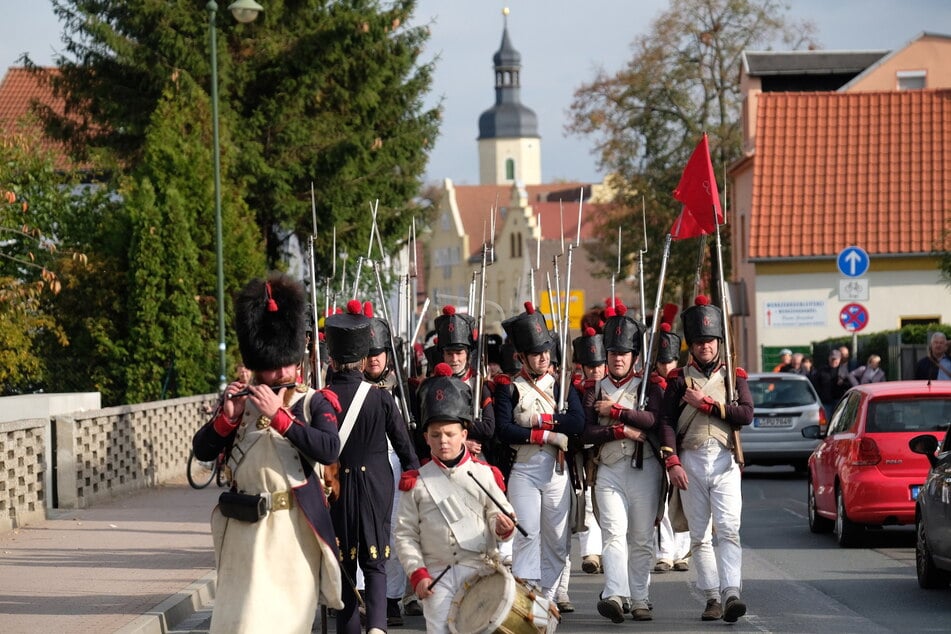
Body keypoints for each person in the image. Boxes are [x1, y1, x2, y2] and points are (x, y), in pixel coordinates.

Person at [192, 273, 343, 633]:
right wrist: (225, 421)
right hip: (245, 531)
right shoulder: (240, 401)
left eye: (284, 365)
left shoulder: (313, 401)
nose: (278, 372)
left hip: (293, 531)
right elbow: (202, 451)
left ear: (297, 359)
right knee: (240, 624)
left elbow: (328, 448)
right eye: (270, 365)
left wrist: (281, 417)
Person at [394, 363, 516, 634]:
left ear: (464, 434)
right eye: (435, 435)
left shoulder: (484, 474)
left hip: (479, 571)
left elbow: (501, 514)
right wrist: (417, 573)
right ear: (426, 438)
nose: (443, 441)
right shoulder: (416, 482)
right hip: (436, 575)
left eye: (450, 434)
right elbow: (405, 535)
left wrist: (502, 526)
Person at [323, 300, 420, 634]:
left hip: (336, 488)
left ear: (332, 360)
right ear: (363, 359)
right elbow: (405, 447)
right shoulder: (381, 397)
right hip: (377, 486)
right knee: (375, 562)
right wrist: (412, 473)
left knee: (345, 567)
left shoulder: (321, 399)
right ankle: (378, 628)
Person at [660, 295, 754, 624]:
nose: (705, 347)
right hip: (691, 460)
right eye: (699, 342)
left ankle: (731, 592)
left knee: (728, 529)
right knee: (700, 535)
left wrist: (708, 404)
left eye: (710, 342)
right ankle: (712, 596)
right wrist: (672, 462)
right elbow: (666, 423)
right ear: (692, 345)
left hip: (725, 460)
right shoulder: (677, 379)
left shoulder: (733, 377)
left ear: (718, 342)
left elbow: (745, 414)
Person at [582, 299, 670, 623]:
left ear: (634, 356)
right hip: (608, 468)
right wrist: (620, 430)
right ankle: (616, 594)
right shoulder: (593, 389)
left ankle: (641, 597)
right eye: (612, 352)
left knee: (642, 537)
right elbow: (587, 431)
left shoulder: (649, 386)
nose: (617, 358)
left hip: (644, 467)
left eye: (623, 353)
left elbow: (653, 420)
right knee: (613, 534)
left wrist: (617, 412)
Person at [494, 302, 585, 603]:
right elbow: (505, 430)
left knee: (558, 541)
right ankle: (527, 593)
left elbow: (577, 422)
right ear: (522, 357)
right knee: (527, 534)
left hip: (556, 470)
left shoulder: (561, 384)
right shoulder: (508, 387)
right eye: (536, 353)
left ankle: (547, 595)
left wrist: (538, 420)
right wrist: (546, 434)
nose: (543, 357)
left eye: (546, 350)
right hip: (523, 468)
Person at [361, 301, 417, 626]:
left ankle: (391, 598)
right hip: (363, 466)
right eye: (368, 352)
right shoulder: (349, 387)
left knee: (395, 532)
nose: (374, 358)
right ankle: (361, 596)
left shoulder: (402, 388)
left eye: (379, 351)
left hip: (395, 465)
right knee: (361, 532)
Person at [652, 319, 692, 576]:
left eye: (671, 362)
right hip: (659, 448)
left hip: (686, 447)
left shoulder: (685, 382)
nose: (667, 367)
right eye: (663, 362)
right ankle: (665, 553)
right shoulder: (652, 386)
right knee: (662, 503)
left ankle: (683, 552)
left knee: (685, 500)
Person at [570, 327, 606, 577]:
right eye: (589, 366)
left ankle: (605, 551)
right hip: (582, 451)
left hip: (607, 450)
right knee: (586, 501)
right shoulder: (574, 388)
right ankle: (590, 553)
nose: (594, 370)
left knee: (605, 504)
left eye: (599, 365)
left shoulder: (609, 388)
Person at [811, 349, 850, 419]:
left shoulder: (844, 370)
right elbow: (815, 384)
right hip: (826, 402)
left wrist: (843, 383)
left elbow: (850, 385)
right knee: (827, 422)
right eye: (832, 359)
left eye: (836, 359)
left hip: (839, 401)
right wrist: (821, 395)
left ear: (840, 359)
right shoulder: (821, 370)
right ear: (829, 358)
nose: (834, 361)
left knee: (838, 422)